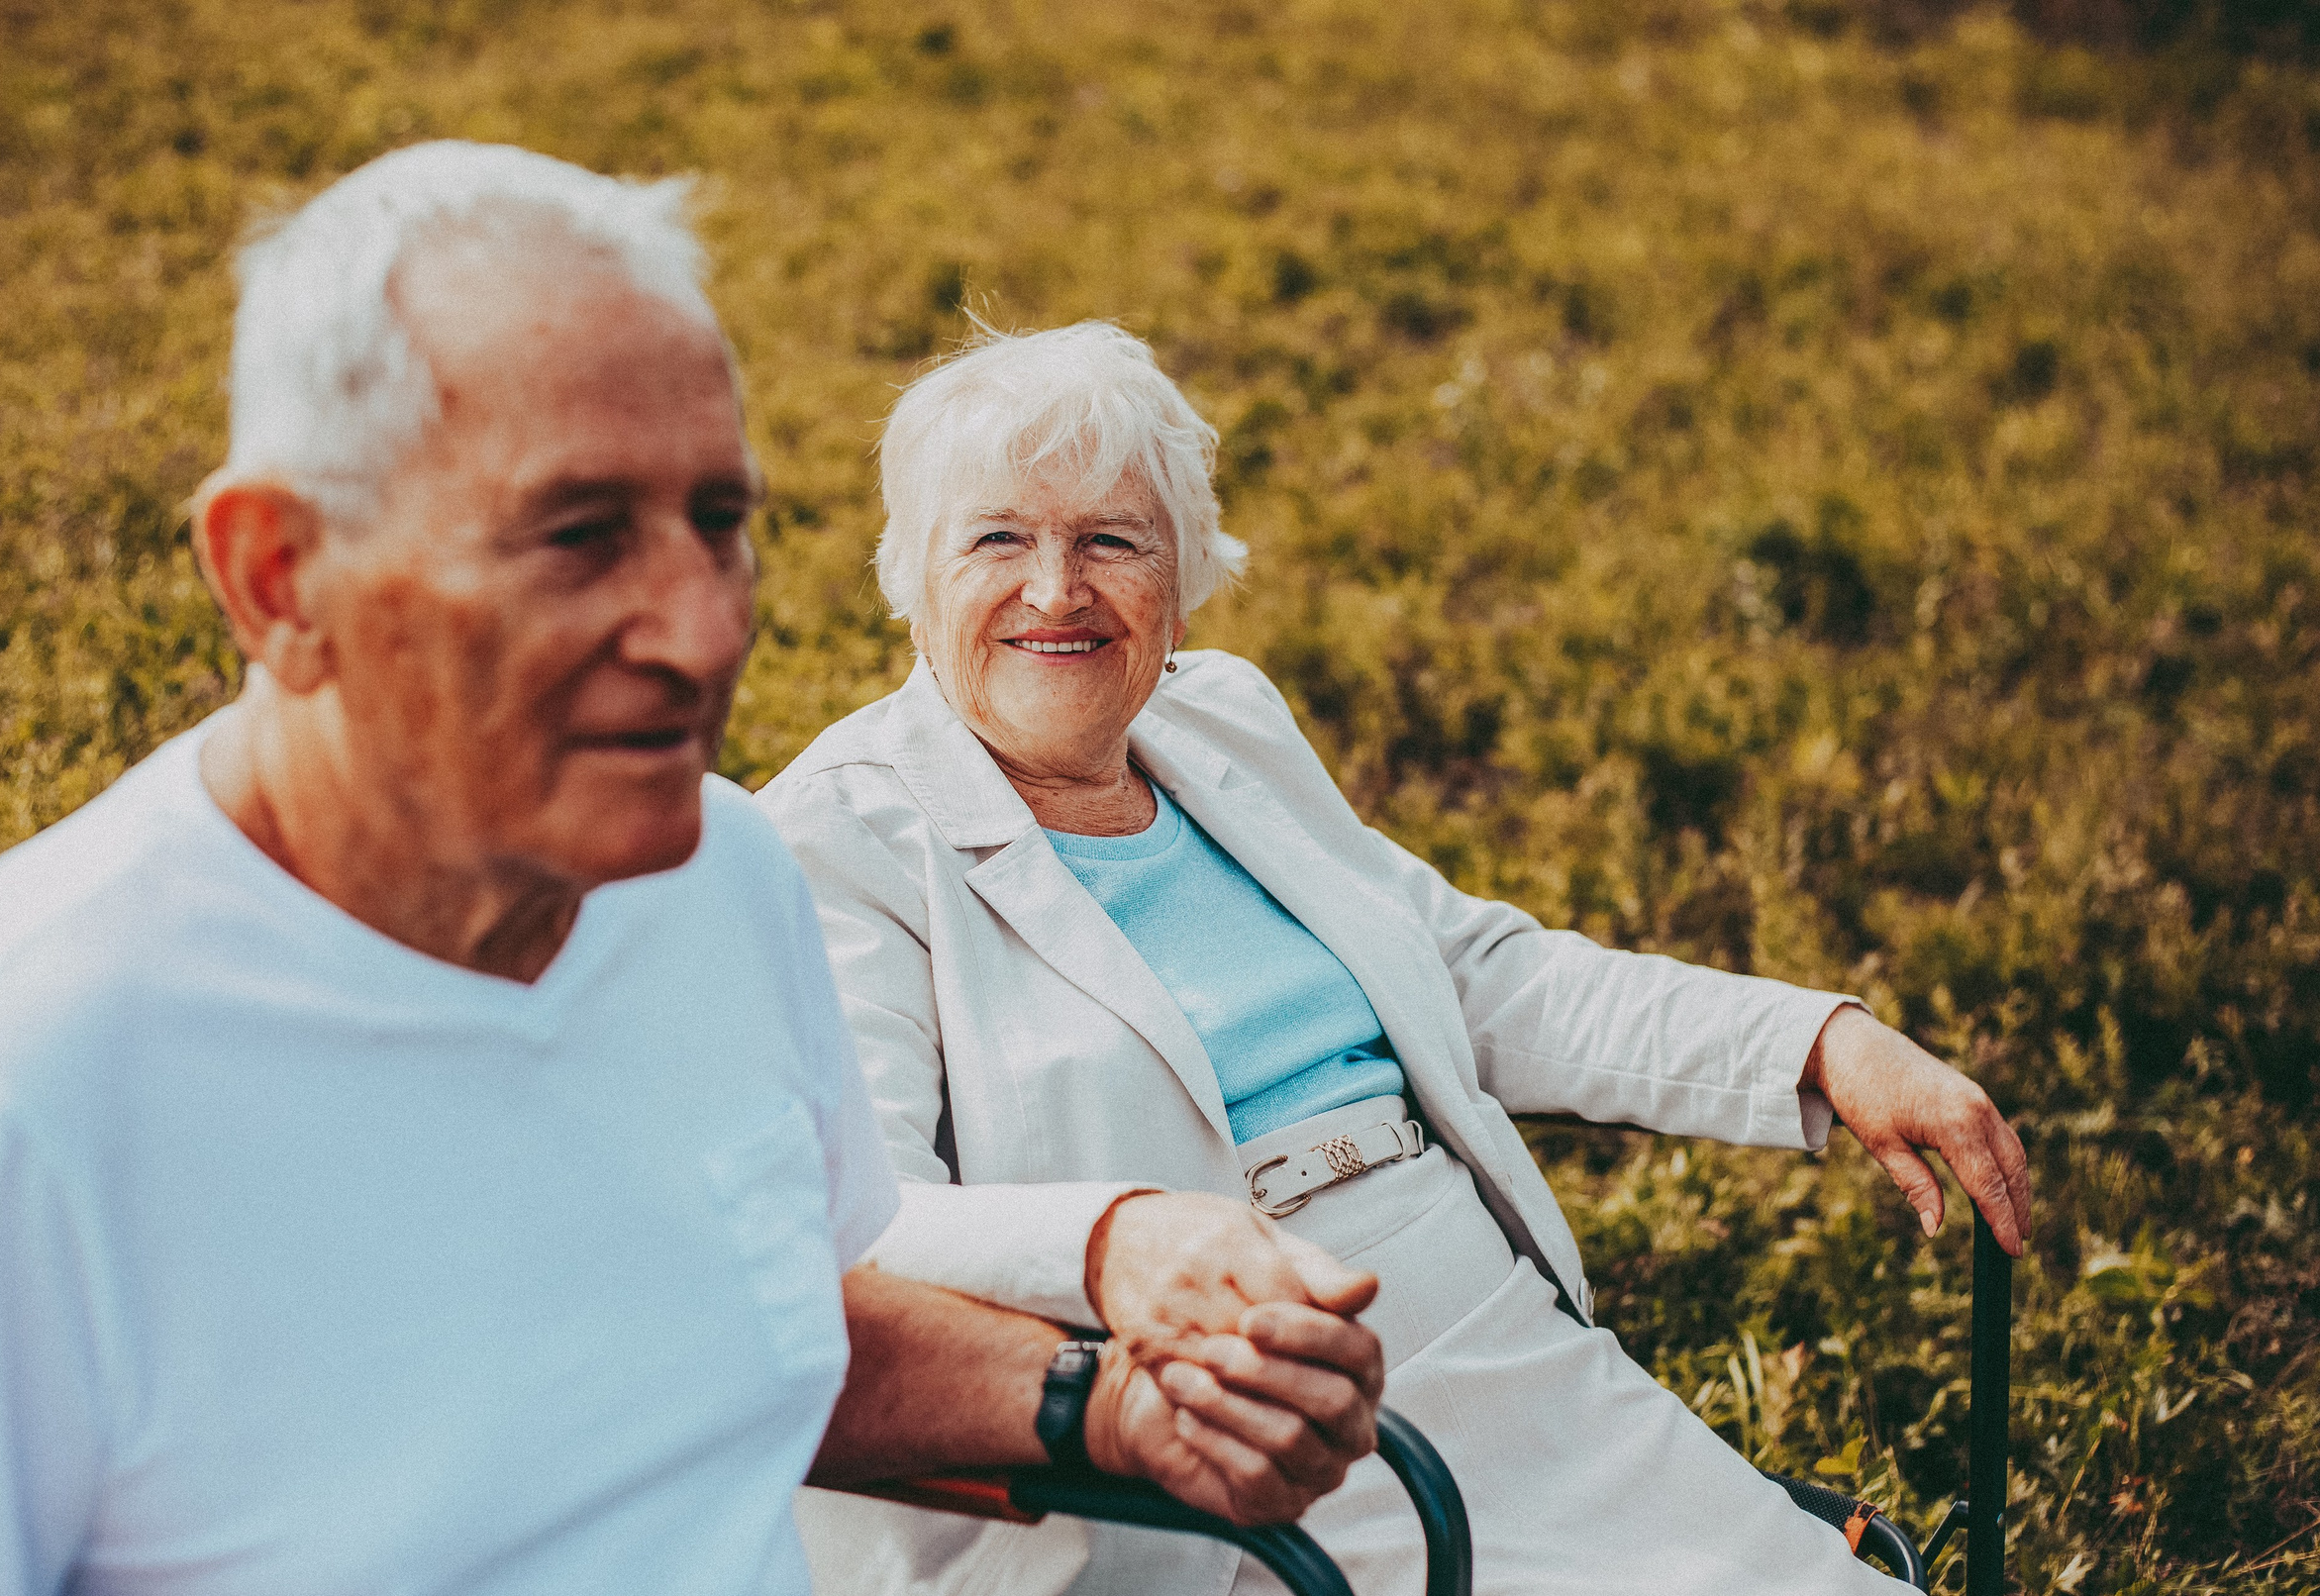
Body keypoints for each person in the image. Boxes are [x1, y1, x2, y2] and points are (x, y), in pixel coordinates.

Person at [0, 147, 1385, 1595]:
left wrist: (1097, 1403)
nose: (700, 631)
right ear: (281, 577)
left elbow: (752, 1324)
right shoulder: (19, 1095)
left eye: (717, 519)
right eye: (577, 536)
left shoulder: (723, 881)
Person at [759, 320, 2037, 1595]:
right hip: (1217, 1426)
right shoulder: (835, 842)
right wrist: (1116, 1238)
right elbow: (859, 1228)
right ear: (911, 573)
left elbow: (1474, 972)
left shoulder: (1223, 721)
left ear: (1183, 571)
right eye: (998, 539)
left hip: (1493, 1344)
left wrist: (1814, 1040)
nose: (1055, 592)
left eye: (1110, 539)